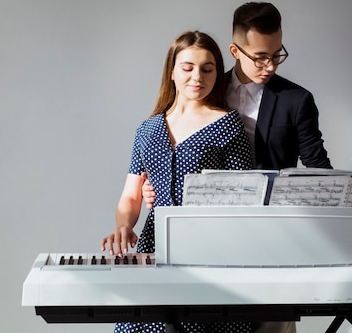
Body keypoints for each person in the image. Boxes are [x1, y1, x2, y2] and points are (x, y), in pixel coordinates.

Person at [142, 2, 333, 333]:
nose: (270, 65)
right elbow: (175, 142)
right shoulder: (204, 86)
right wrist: (156, 185)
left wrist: (330, 201)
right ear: (234, 50)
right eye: (261, 56)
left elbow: (319, 169)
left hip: (273, 240)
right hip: (204, 241)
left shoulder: (297, 100)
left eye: (277, 54)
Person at [100, 30, 254, 333]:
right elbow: (131, 195)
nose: (198, 76)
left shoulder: (229, 125)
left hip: (211, 252)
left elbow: (246, 196)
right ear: (171, 71)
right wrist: (124, 226)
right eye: (187, 67)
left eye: (208, 69)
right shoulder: (147, 129)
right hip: (154, 247)